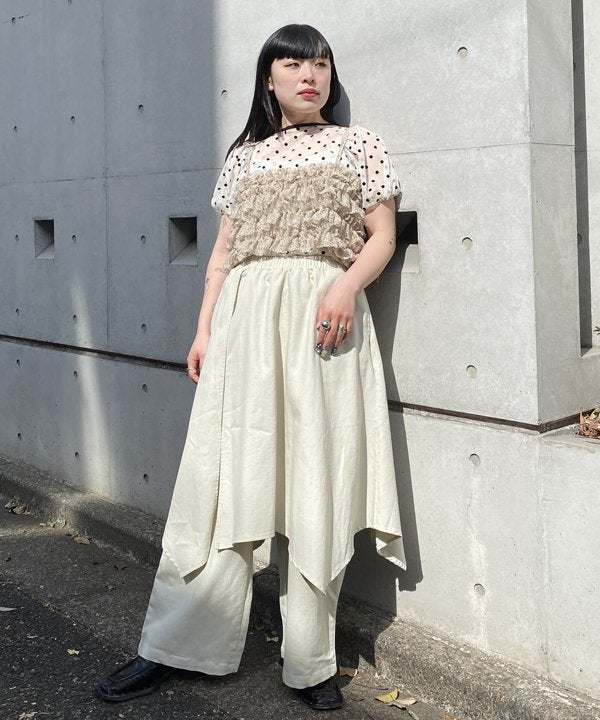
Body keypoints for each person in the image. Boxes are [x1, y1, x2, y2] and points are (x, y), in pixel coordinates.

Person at [97, 23, 405, 712]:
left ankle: (312, 662)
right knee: (217, 478)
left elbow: (382, 235)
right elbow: (222, 255)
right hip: (243, 322)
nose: (309, 75)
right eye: (292, 64)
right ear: (269, 79)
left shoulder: (359, 144)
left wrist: (345, 286)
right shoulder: (244, 157)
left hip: (323, 322)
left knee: (316, 478)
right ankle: (174, 646)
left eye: (320, 64)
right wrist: (204, 328)